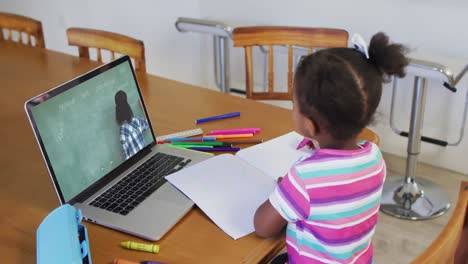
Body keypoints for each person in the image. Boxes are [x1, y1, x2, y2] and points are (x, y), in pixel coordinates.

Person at [254, 32, 409, 264]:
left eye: (293, 103)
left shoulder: (304, 177)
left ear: (309, 124)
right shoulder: (375, 157)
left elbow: (262, 227)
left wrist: (287, 191)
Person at [115, 90, 149, 160]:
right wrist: (143, 107)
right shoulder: (136, 121)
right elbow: (147, 122)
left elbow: (127, 154)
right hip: (147, 157)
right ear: (128, 105)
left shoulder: (122, 132)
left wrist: (121, 154)